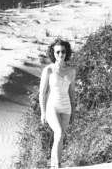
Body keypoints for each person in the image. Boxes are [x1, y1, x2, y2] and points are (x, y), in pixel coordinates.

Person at [39, 39, 76, 168]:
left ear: (67, 53)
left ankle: (55, 165)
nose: (60, 54)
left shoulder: (71, 71)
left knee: (60, 138)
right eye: (57, 52)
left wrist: (74, 111)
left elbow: (72, 93)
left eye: (63, 52)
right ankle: (57, 165)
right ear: (53, 53)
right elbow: (42, 92)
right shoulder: (48, 70)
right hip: (52, 107)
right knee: (59, 132)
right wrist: (43, 113)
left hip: (66, 107)